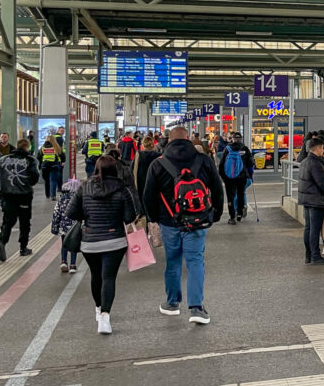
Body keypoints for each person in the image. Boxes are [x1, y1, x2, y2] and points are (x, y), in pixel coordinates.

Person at [143, 126, 224, 325]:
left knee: (173, 262)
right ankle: (196, 308)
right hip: (198, 221)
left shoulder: (157, 164)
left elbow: (148, 196)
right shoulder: (204, 160)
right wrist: (216, 214)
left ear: (168, 140)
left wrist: (154, 218)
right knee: (195, 261)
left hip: (169, 222)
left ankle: (172, 303)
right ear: (188, 139)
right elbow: (217, 188)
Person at [67, 156, 138, 335]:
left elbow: (71, 212)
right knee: (109, 277)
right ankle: (105, 316)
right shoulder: (122, 188)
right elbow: (130, 217)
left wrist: (88, 215)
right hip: (115, 241)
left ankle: (98, 310)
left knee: (96, 276)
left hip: (90, 242)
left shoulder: (84, 187)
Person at [0, 139, 40, 262]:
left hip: (7, 195)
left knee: (7, 222)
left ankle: (2, 242)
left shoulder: (3, 159)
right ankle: (23, 248)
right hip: (24, 195)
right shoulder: (30, 160)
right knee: (25, 223)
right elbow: (34, 179)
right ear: (27, 147)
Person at [298, 137, 324, 266]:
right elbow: (323, 184)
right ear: (318, 149)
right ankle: (315, 256)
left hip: (306, 200)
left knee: (308, 228)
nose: (323, 150)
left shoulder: (304, 162)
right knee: (315, 229)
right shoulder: (316, 164)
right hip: (316, 200)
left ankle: (308, 255)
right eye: (322, 148)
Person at [218, 132, 253, 225]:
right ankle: (239, 214)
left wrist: (224, 177)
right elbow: (250, 163)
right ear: (241, 139)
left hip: (229, 178)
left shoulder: (228, 149)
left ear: (232, 139)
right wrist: (250, 175)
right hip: (242, 177)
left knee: (230, 196)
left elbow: (221, 165)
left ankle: (232, 217)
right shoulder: (245, 149)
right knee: (241, 194)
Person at [51, 178, 81, 273]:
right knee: (74, 246)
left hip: (63, 226)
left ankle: (63, 261)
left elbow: (56, 213)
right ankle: (73, 265)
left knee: (64, 243)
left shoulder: (61, 198)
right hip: (75, 227)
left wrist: (54, 227)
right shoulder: (79, 198)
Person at [38, 136, 65, 201]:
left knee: (47, 181)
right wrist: (62, 161)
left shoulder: (42, 147)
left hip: (45, 166)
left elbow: (38, 156)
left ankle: (47, 195)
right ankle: (53, 195)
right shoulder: (56, 147)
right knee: (53, 180)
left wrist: (41, 162)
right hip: (54, 166)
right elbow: (62, 155)